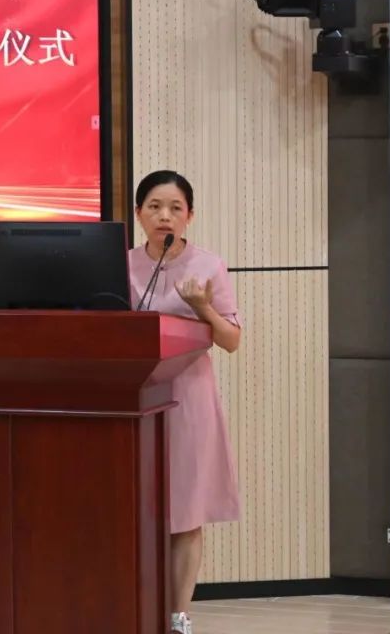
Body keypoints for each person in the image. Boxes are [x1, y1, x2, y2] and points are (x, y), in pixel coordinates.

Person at [128, 170, 242, 634]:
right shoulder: (121, 266)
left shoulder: (208, 266)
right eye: (154, 206)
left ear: (189, 216)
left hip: (189, 400)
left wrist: (202, 308)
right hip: (132, 399)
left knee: (185, 512)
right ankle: (134, 609)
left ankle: (179, 617)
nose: (165, 216)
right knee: (135, 507)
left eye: (175, 208)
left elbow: (231, 340)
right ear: (139, 214)